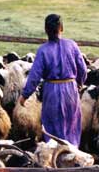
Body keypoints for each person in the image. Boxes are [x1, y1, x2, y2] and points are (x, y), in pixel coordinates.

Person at [19, 14, 87, 147]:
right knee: (71, 124)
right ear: (61, 28)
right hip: (71, 90)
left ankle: (53, 157)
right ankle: (72, 155)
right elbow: (82, 68)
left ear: (46, 30)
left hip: (52, 91)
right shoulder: (72, 45)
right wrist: (79, 83)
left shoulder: (43, 50)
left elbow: (35, 75)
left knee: (52, 125)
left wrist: (25, 95)